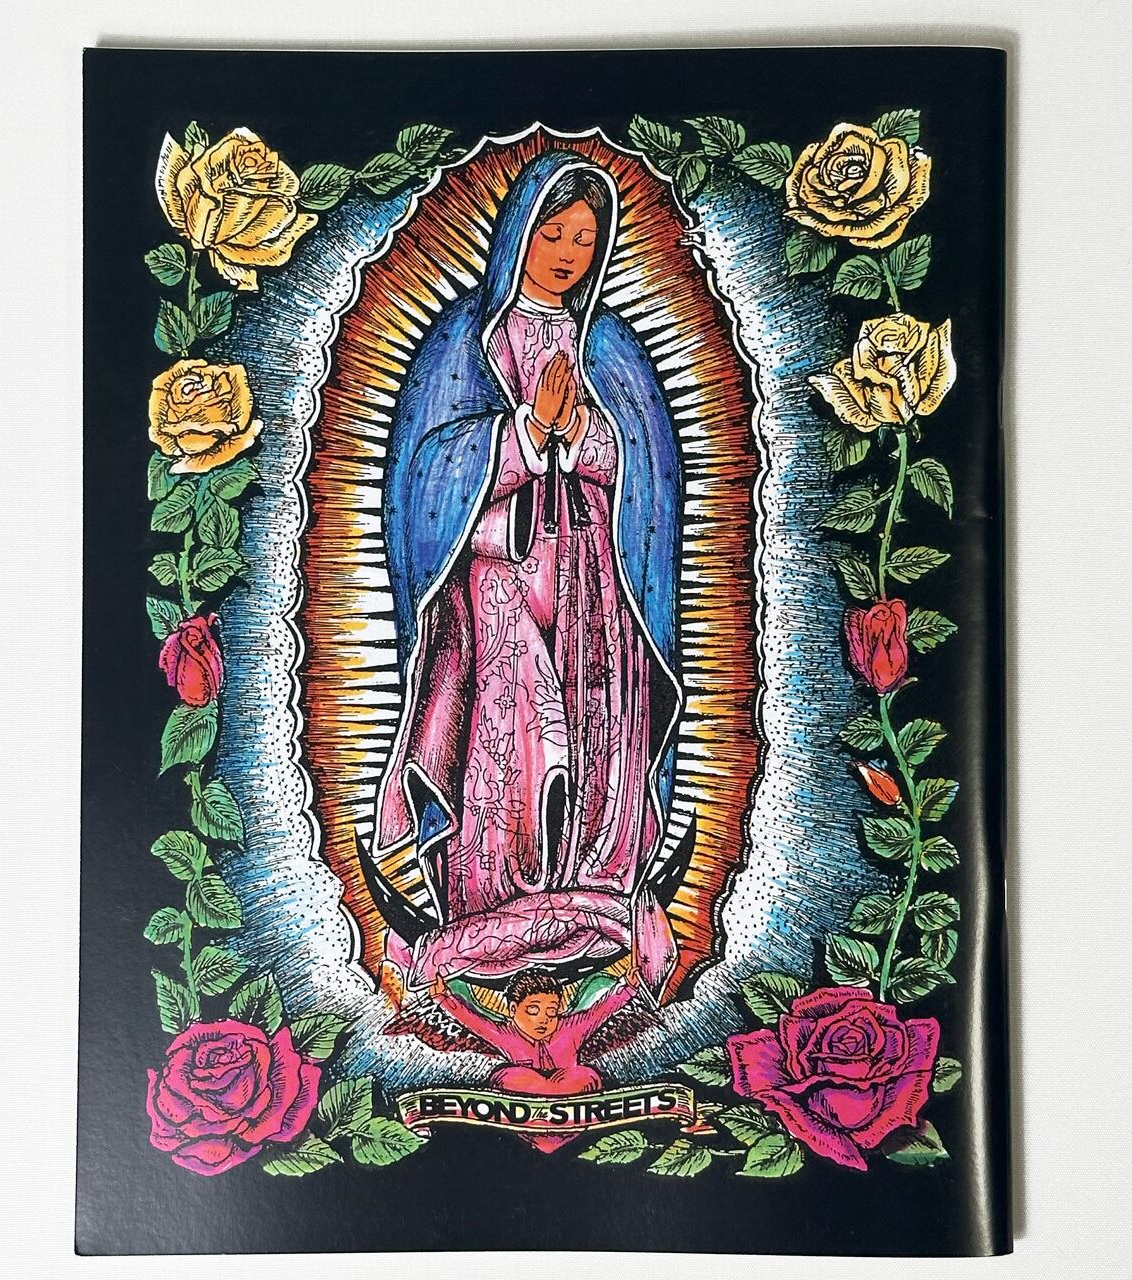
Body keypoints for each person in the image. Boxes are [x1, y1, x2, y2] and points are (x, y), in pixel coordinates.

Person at [376, 149, 683, 997]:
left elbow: (651, 478)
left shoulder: (612, 350)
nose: (568, 255)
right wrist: (518, 434)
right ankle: (491, 898)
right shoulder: (462, 342)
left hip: (593, 572)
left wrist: (581, 434)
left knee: (595, 726)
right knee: (513, 729)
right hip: (495, 570)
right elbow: (423, 479)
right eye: (553, 234)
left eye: (585, 239)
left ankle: (596, 884)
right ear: (520, 233)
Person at [430, 965, 640, 1096]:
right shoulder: (506, 1035)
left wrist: (628, 987)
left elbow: (601, 1011)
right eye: (533, 1010)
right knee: (507, 1077)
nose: (543, 1020)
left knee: (586, 1076)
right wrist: (442, 997)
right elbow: (473, 1021)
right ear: (513, 1009)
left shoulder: (571, 1029)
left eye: (551, 1011)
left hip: (571, 1094)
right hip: (523, 1100)